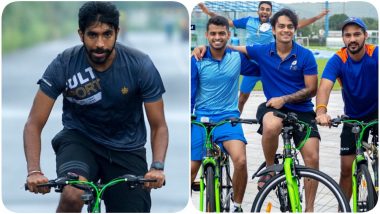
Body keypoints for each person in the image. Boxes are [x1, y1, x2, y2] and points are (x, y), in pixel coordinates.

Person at [24, 2, 168, 212]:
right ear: (80, 34)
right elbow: (33, 124)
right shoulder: (64, 64)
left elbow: (159, 126)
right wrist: (34, 171)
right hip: (80, 140)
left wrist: (156, 167)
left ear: (117, 32)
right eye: (92, 35)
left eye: (107, 34)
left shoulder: (140, 65)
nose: (100, 43)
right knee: (73, 194)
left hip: (127, 148)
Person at [193, 8, 320, 212]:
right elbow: (233, 47)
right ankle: (270, 168)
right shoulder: (263, 51)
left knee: (313, 158)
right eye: (281, 26)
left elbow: (312, 89)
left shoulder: (305, 56)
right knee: (271, 125)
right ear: (273, 30)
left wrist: (285, 98)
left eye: (289, 27)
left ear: (295, 29)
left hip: (302, 110)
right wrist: (203, 48)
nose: (285, 30)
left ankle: (310, 209)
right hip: (272, 109)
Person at [198, 1, 329, 114]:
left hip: (271, 66)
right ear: (258, 10)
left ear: (271, 12)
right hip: (252, 67)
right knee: (243, 97)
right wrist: (209, 14)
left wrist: (317, 17)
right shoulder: (248, 21)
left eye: (267, 9)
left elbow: (299, 24)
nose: (264, 11)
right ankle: (234, 121)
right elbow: (226, 23)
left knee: (282, 92)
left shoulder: (277, 24)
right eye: (262, 9)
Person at [191, 15, 259, 212]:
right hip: (202, 118)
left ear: (228, 35)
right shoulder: (197, 59)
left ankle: (237, 205)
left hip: (228, 118)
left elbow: (262, 68)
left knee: (241, 160)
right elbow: (191, 93)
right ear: (207, 35)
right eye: (213, 33)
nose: (217, 37)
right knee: (191, 172)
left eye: (221, 33)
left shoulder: (236, 57)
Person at [315, 17, 378, 202]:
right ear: (343, 39)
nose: (353, 39)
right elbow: (325, 86)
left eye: (357, 34)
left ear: (366, 36)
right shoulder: (338, 59)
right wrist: (320, 112)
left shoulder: (375, 53)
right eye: (348, 35)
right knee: (346, 169)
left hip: (377, 112)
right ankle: (343, 208)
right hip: (353, 117)